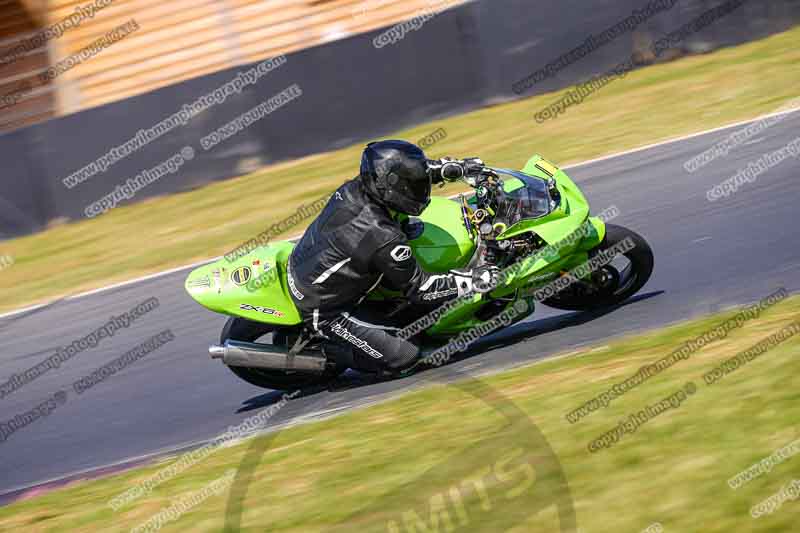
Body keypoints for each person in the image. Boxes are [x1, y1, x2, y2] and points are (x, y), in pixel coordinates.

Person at [286, 140, 492, 376]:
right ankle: (329, 351)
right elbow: (421, 288)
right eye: (410, 187)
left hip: (319, 267)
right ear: (391, 188)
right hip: (325, 308)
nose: (417, 190)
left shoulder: (362, 186)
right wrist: (474, 279)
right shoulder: (381, 234)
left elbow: (403, 174)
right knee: (406, 356)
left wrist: (449, 169)